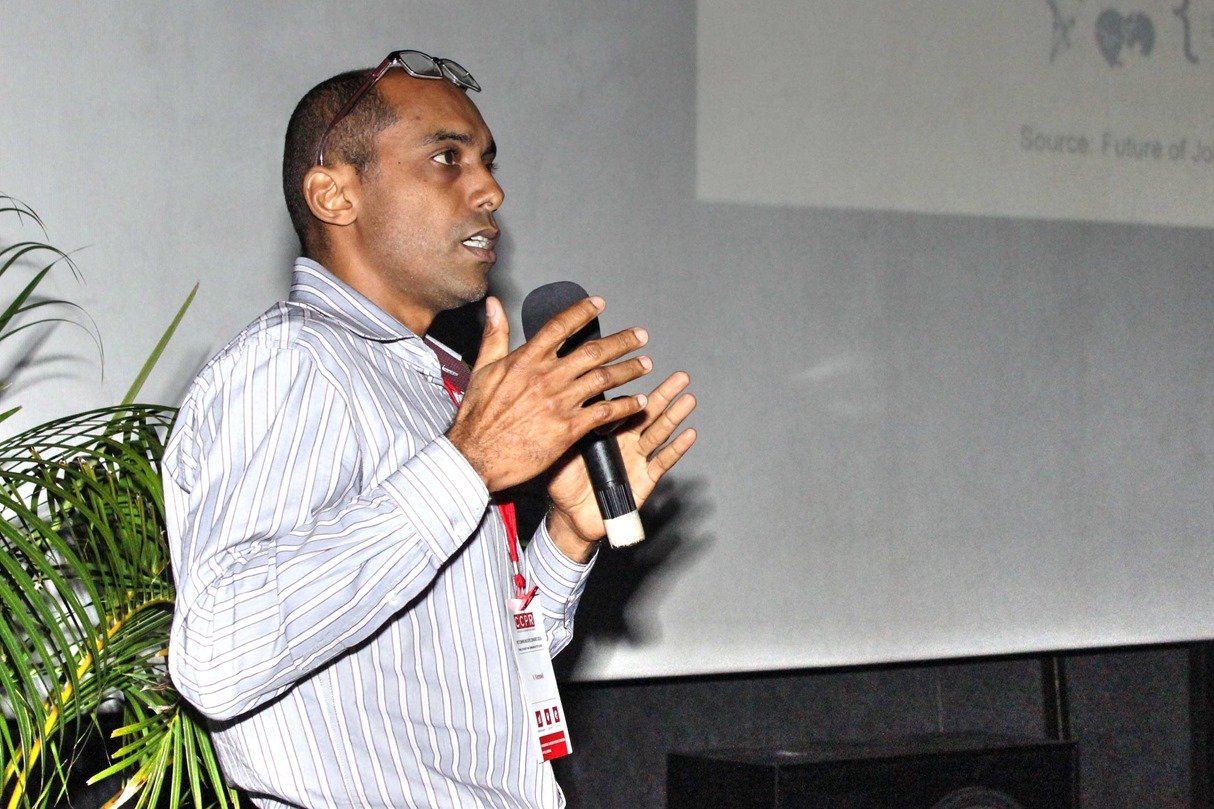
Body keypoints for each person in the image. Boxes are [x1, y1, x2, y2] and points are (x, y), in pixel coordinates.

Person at [163, 49, 697, 808]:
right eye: (447, 158)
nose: (490, 189)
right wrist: (466, 465)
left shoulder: (437, 386)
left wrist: (565, 540)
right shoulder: (294, 362)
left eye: (487, 161)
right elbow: (218, 654)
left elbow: (474, 672)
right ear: (334, 194)